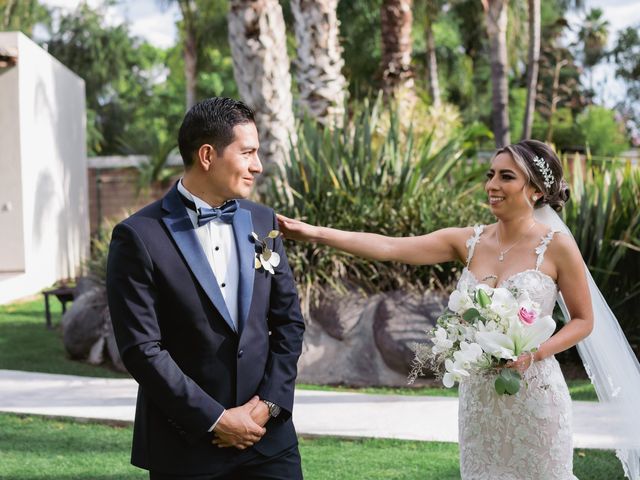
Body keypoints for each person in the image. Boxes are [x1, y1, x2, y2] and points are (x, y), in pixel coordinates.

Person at [278, 139, 594, 479]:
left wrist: (536, 352)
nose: (492, 185)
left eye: (506, 177)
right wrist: (315, 233)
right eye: (490, 175)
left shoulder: (557, 247)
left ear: (534, 190)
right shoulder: (469, 241)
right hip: (480, 398)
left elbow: (583, 320)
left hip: (536, 394)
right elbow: (389, 247)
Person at [106, 97, 305, 480]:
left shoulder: (263, 221)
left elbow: (288, 323)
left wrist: (267, 406)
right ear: (208, 155)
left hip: (270, 441)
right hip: (186, 448)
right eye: (247, 152)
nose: (257, 166)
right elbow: (142, 349)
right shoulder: (138, 236)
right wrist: (216, 419)